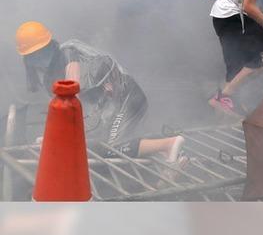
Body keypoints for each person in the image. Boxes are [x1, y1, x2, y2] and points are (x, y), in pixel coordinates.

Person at [15, 21, 184, 163]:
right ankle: (169, 155)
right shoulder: (48, 79)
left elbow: (71, 96)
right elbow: (67, 111)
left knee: (110, 148)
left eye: (42, 51)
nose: (38, 58)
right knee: (96, 145)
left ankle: (168, 145)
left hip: (127, 98)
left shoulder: (67, 53)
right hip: (109, 107)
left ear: (51, 44)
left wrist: (55, 138)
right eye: (32, 56)